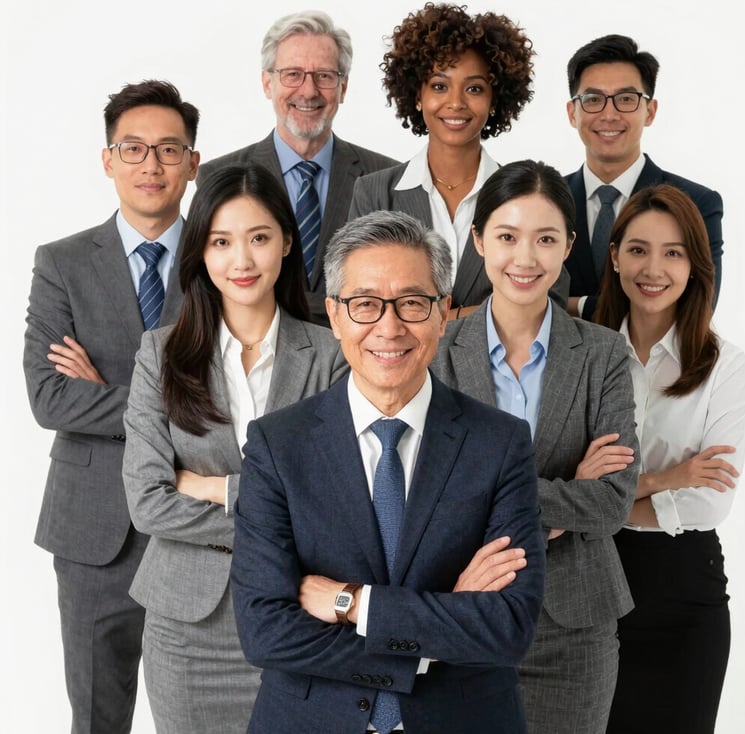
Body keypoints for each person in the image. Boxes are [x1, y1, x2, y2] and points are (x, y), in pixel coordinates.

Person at [231, 210, 546, 733]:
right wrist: (433, 634)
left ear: (443, 312)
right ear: (334, 315)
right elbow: (266, 631)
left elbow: (508, 627)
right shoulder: (276, 444)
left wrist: (353, 604)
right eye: (365, 304)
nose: (390, 326)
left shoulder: (500, 442)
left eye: (413, 302)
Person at [121, 164, 348, 732]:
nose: (241, 261)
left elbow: (341, 499)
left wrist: (215, 487)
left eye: (259, 238)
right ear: (199, 251)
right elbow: (148, 502)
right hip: (187, 632)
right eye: (221, 242)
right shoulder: (161, 354)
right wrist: (279, 515)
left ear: (288, 243)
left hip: (301, 620)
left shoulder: (330, 355)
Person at [431, 160, 639, 734]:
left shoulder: (602, 355)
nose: (525, 259)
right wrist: (567, 491)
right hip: (462, 611)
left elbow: (614, 502)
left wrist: (497, 500)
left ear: (569, 246)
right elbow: (432, 495)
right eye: (506, 236)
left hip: (574, 630)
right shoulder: (438, 352)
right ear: (477, 239)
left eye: (546, 239)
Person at [22, 80, 200, 733]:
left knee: (205, 713)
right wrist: (168, 399)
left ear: (192, 162)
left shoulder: (223, 262)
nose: (151, 164)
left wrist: (106, 388)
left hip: (200, 524)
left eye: (167, 149)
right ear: (108, 159)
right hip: (92, 531)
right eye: (133, 148)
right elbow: (48, 396)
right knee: (98, 717)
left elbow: (234, 399)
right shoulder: (62, 263)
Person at [593, 184, 745, 734]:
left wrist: (601, 500)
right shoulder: (584, 352)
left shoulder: (724, 365)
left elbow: (709, 503)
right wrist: (667, 479)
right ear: (614, 258)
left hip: (685, 595)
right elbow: (553, 480)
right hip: (591, 588)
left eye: (673, 252)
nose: (652, 268)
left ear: (694, 265)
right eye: (637, 249)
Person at [350, 2, 568, 318]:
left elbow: (551, 305)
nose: (455, 103)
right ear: (416, 94)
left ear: (495, 99)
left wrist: (436, 316)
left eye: (474, 88)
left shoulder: (528, 195)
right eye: (439, 86)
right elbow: (359, 299)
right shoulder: (374, 193)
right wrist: (487, 312)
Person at [197, 10, 398, 325]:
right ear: (267, 83)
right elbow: (203, 286)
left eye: (324, 76)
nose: (308, 91)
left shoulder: (385, 178)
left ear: (343, 88)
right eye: (293, 74)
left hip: (356, 359)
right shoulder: (217, 176)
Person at [564, 34, 723, 321]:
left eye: (626, 99)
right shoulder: (547, 201)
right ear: (572, 113)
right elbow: (524, 303)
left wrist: (577, 305)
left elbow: (697, 306)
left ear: (650, 111)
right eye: (593, 99)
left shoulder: (698, 203)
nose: (609, 114)